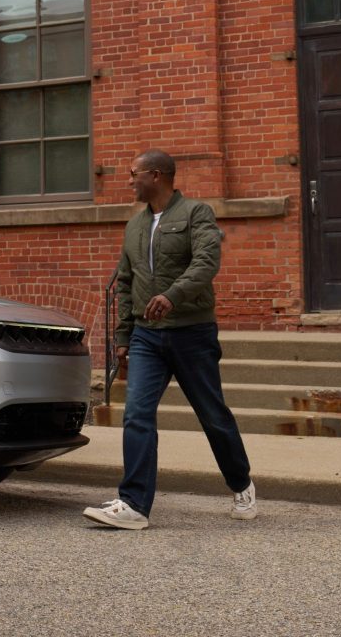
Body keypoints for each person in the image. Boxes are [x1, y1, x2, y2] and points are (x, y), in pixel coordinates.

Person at [83, 148, 255, 529]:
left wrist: (172, 295)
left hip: (192, 333)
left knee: (213, 416)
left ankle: (241, 483)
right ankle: (134, 504)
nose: (129, 180)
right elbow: (125, 283)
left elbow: (206, 262)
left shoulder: (196, 213)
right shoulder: (134, 226)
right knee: (137, 415)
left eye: (134, 174)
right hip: (147, 336)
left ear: (156, 175)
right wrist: (123, 335)